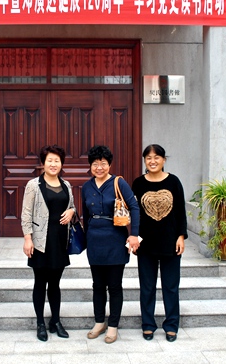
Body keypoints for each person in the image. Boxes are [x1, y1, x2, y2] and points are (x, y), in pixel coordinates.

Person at [81, 145, 140, 344]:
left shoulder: (118, 183)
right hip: (94, 241)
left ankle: (113, 325)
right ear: (90, 165)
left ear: (109, 165)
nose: (99, 167)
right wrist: (85, 239)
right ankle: (99, 322)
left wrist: (134, 235)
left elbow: (134, 207)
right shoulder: (87, 187)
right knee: (97, 285)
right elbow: (85, 215)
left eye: (103, 163)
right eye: (95, 164)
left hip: (115, 239)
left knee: (114, 286)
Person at [131, 144, 187, 342]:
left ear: (164, 160)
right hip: (146, 244)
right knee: (147, 287)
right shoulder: (138, 183)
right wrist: (133, 237)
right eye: (148, 158)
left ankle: (171, 325)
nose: (152, 161)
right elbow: (134, 213)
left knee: (170, 286)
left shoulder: (174, 181)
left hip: (170, 243)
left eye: (156, 157)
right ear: (144, 161)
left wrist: (181, 236)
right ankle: (148, 324)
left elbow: (180, 210)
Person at [21, 145, 76, 342]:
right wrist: (27, 238)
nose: (53, 164)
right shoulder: (33, 185)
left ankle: (56, 321)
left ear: (61, 163)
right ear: (43, 163)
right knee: (40, 282)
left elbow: (71, 207)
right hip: (40, 241)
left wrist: (72, 211)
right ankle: (40, 323)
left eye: (57, 161)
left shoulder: (66, 184)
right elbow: (26, 213)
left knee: (55, 283)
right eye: (49, 160)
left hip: (59, 241)